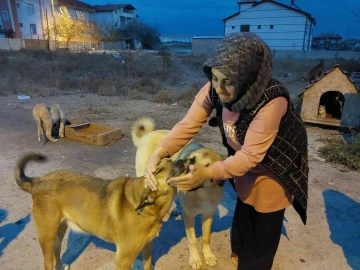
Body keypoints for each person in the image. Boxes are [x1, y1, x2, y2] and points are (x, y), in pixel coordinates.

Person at [144, 32, 309, 270]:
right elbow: (188, 124)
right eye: (214, 78)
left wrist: (209, 173)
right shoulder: (215, 87)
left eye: (228, 81)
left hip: (276, 162)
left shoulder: (272, 101)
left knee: (265, 218)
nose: (219, 88)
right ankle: (239, 252)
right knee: (245, 200)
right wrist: (159, 153)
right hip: (242, 155)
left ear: (248, 78)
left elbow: (252, 156)